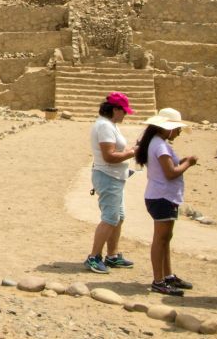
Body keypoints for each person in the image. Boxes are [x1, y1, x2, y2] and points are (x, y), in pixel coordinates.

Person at [136, 107, 197, 296]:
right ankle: (159, 280)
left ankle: (167, 275)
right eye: (177, 128)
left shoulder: (156, 142)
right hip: (162, 196)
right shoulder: (160, 145)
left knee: (165, 239)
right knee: (160, 239)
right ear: (167, 128)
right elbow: (170, 173)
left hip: (162, 196)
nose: (179, 132)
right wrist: (189, 163)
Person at [84, 92, 138, 274]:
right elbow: (109, 156)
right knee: (109, 218)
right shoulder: (105, 127)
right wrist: (132, 152)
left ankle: (112, 255)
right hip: (108, 176)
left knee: (118, 217)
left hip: (115, 177)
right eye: (124, 111)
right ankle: (94, 256)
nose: (125, 115)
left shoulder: (109, 125)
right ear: (115, 109)